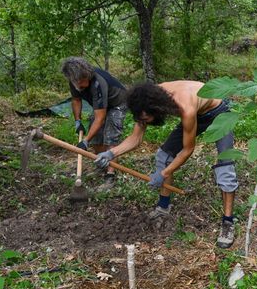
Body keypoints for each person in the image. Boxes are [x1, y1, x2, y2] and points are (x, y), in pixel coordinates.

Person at [93, 81, 239, 249]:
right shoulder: (145, 99)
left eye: (146, 119)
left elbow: (187, 150)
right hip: (196, 112)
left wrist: (163, 174)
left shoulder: (185, 106)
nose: (144, 122)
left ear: (156, 110)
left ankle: (228, 222)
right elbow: (136, 138)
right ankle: (163, 207)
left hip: (218, 113)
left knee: (225, 167)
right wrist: (111, 153)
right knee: (164, 156)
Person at [61, 57, 129, 190]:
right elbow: (76, 100)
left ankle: (111, 174)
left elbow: (100, 118)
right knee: (96, 137)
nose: (82, 85)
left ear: (87, 74)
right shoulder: (74, 80)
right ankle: (101, 165)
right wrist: (77, 121)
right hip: (102, 106)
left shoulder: (98, 83)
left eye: (84, 80)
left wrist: (85, 141)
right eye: (79, 83)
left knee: (111, 137)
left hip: (118, 103)